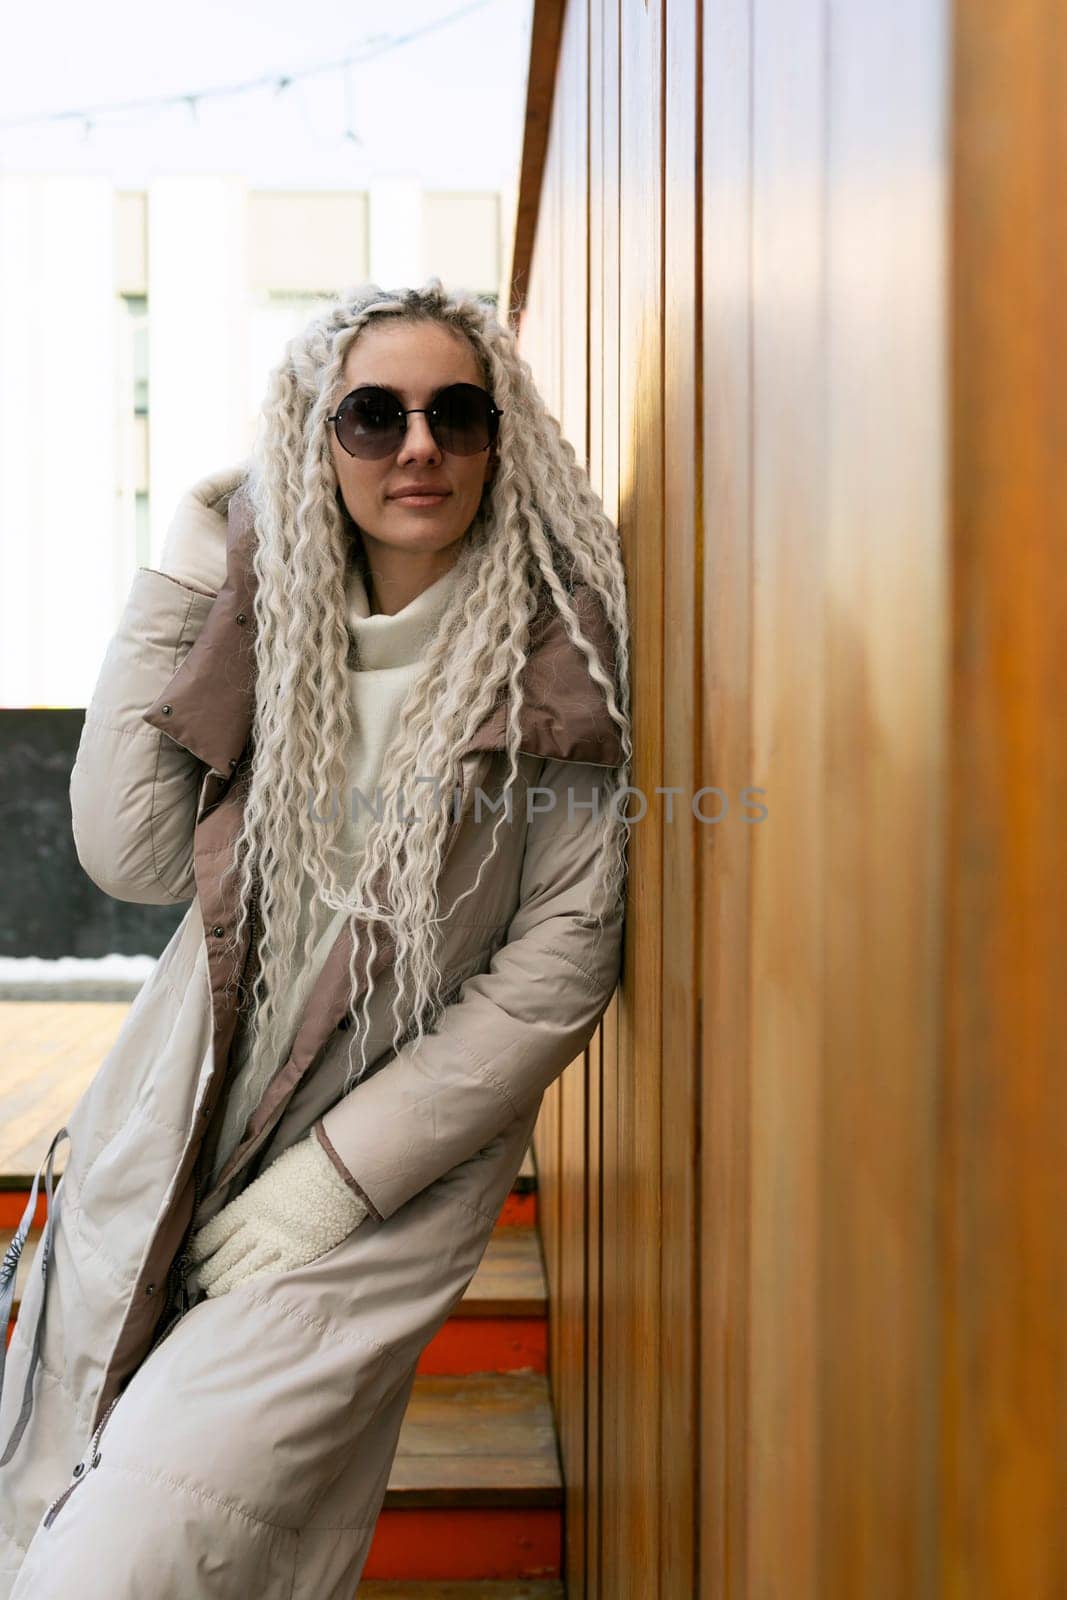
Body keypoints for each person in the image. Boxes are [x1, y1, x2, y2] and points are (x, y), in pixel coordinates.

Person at [0, 279, 631, 1598]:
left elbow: (552, 977)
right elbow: (129, 852)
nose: (418, 446)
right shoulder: (271, 628)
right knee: (62, 1495)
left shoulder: (557, 658)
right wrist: (187, 552)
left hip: (374, 1188)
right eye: (372, 415)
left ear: (500, 439)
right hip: (184, 1118)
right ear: (317, 440)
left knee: (134, 1557)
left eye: (456, 414)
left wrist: (332, 1182)